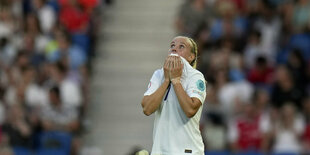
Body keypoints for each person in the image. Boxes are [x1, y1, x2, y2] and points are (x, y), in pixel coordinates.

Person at [141, 36, 207, 155]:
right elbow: (147, 109)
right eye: (172, 46)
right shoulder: (158, 74)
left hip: (187, 151)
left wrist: (176, 81)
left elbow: (190, 110)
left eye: (181, 46)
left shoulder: (195, 77)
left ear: (191, 57)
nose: (174, 49)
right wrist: (166, 81)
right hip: (160, 151)